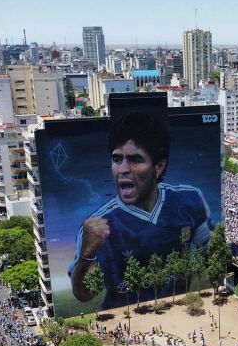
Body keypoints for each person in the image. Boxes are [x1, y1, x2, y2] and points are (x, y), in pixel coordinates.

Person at [70, 111, 214, 307]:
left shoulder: (189, 199)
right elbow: (84, 294)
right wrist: (87, 254)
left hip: (178, 310)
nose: (123, 169)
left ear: (158, 167)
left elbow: (210, 256)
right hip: (129, 319)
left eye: (135, 159)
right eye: (117, 159)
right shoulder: (97, 226)